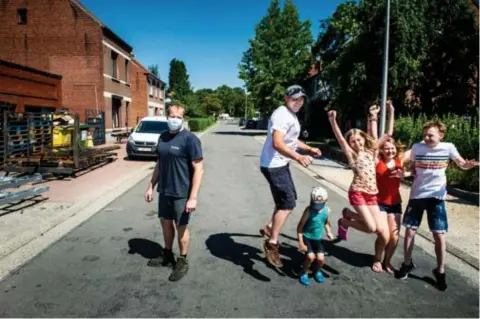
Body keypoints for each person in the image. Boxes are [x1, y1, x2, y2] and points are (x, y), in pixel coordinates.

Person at [397, 120, 478, 291]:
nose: (426, 138)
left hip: (437, 197)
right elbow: (413, 170)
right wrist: (403, 173)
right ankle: (407, 263)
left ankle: (440, 271)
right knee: (410, 231)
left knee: (439, 235)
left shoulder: (448, 147)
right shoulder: (417, 148)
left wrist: (468, 166)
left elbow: (462, 164)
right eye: (424, 135)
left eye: (430, 135)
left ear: (441, 135)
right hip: (417, 195)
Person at [259, 84, 322, 268]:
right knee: (287, 203)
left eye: (301, 99)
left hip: (280, 163)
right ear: (286, 98)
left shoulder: (290, 115)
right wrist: (299, 157)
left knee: (288, 199)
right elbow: (278, 144)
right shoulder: (281, 114)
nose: (298, 102)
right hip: (273, 165)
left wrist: (309, 148)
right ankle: (272, 243)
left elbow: (291, 141)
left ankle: (270, 227)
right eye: (295, 98)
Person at [144, 104, 204, 282]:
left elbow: (199, 169)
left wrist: (192, 197)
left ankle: (183, 260)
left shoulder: (190, 139)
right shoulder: (162, 137)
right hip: (165, 190)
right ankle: (167, 255)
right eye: (171, 115)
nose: (174, 119)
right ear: (167, 116)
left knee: (181, 227)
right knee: (165, 224)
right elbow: (159, 164)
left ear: (183, 118)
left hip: (182, 193)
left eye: (178, 116)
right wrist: (151, 186)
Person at [327, 110, 389, 261]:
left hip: (372, 194)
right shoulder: (352, 154)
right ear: (350, 144)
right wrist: (332, 120)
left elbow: (377, 135)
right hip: (358, 193)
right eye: (353, 141)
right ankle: (344, 222)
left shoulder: (371, 152)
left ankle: (348, 214)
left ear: (363, 139)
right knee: (371, 228)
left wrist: (373, 116)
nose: (357, 143)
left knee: (378, 228)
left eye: (359, 140)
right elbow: (340, 138)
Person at [367, 101, 412, 274]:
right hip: (379, 203)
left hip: (395, 203)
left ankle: (388, 261)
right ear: (382, 150)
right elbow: (374, 138)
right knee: (384, 234)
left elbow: (419, 153)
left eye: (392, 148)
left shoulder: (401, 160)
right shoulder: (376, 161)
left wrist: (392, 110)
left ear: (396, 149)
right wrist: (374, 117)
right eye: (386, 148)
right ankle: (377, 259)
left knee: (394, 236)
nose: (390, 151)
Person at [297, 186, 333, 286]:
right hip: (307, 236)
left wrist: (328, 231)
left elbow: (325, 222)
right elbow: (300, 227)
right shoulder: (308, 211)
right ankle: (304, 272)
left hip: (317, 238)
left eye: (320, 204)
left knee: (321, 259)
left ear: (326, 200)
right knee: (310, 257)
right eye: (314, 204)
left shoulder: (327, 210)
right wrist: (300, 242)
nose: (316, 207)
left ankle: (316, 271)